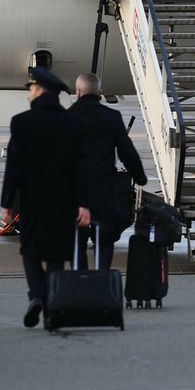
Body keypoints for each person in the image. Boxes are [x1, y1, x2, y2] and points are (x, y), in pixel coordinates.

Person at [0, 67, 91, 328]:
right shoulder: (76, 124)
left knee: (29, 252)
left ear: (39, 90)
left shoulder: (21, 122)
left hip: (32, 202)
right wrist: (84, 204)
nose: (29, 93)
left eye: (30, 88)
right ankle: (52, 311)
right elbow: (81, 169)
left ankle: (37, 295)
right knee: (55, 258)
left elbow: (13, 168)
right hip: (65, 203)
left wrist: (7, 203)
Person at [69, 73, 148, 270]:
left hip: (74, 192)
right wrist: (140, 177)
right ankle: (101, 281)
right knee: (105, 238)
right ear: (100, 92)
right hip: (103, 190)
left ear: (77, 92)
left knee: (76, 240)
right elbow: (126, 152)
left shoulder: (66, 118)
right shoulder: (111, 117)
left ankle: (80, 283)